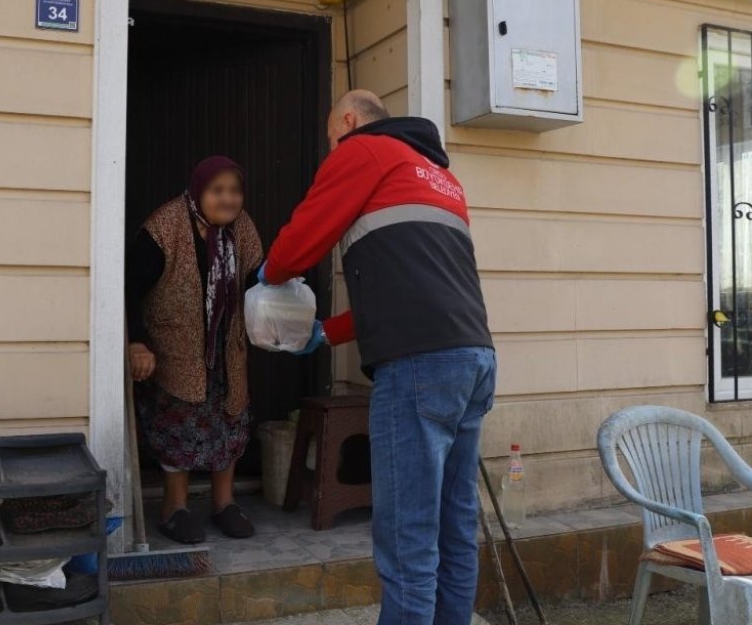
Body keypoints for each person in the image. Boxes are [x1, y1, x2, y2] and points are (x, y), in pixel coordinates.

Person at [260, 91, 495, 624]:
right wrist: (327, 333)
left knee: (407, 537)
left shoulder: (362, 151)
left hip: (419, 368)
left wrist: (269, 275)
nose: (330, 152)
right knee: (454, 529)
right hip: (473, 358)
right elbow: (415, 289)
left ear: (347, 121)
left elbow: (299, 244)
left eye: (329, 140)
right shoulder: (440, 177)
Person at [125, 156, 263, 544]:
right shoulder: (166, 226)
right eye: (217, 190)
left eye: (234, 191)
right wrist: (136, 342)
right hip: (174, 349)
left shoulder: (243, 228)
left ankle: (224, 504)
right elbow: (129, 286)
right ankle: (175, 508)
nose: (228, 199)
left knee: (229, 421)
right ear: (199, 191)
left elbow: (256, 276)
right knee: (179, 428)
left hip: (226, 348)